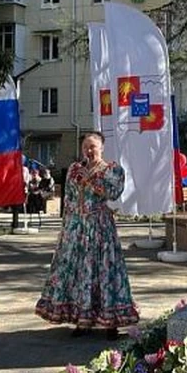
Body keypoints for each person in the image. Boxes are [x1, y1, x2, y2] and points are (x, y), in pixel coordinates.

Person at [35, 131, 139, 340]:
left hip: (101, 227)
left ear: (101, 147)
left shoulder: (113, 170)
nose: (88, 151)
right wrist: (67, 226)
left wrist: (90, 181)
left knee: (104, 271)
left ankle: (111, 323)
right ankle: (83, 320)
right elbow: (70, 198)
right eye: (85, 147)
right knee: (81, 272)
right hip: (78, 227)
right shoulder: (75, 169)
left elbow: (113, 193)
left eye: (92, 146)